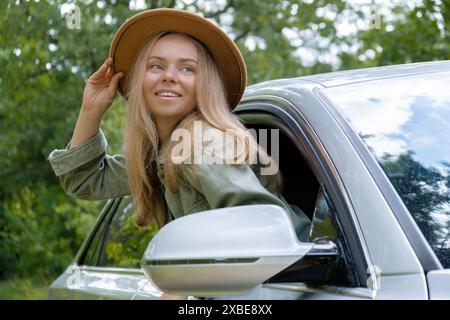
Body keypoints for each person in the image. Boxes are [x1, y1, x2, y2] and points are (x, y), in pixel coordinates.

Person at [48, 8, 310, 300]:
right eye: (156, 66)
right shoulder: (159, 155)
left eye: (187, 68)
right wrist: (91, 109)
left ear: (204, 85)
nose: (170, 76)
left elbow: (262, 230)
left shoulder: (202, 147)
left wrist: (186, 286)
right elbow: (83, 181)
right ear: (138, 80)